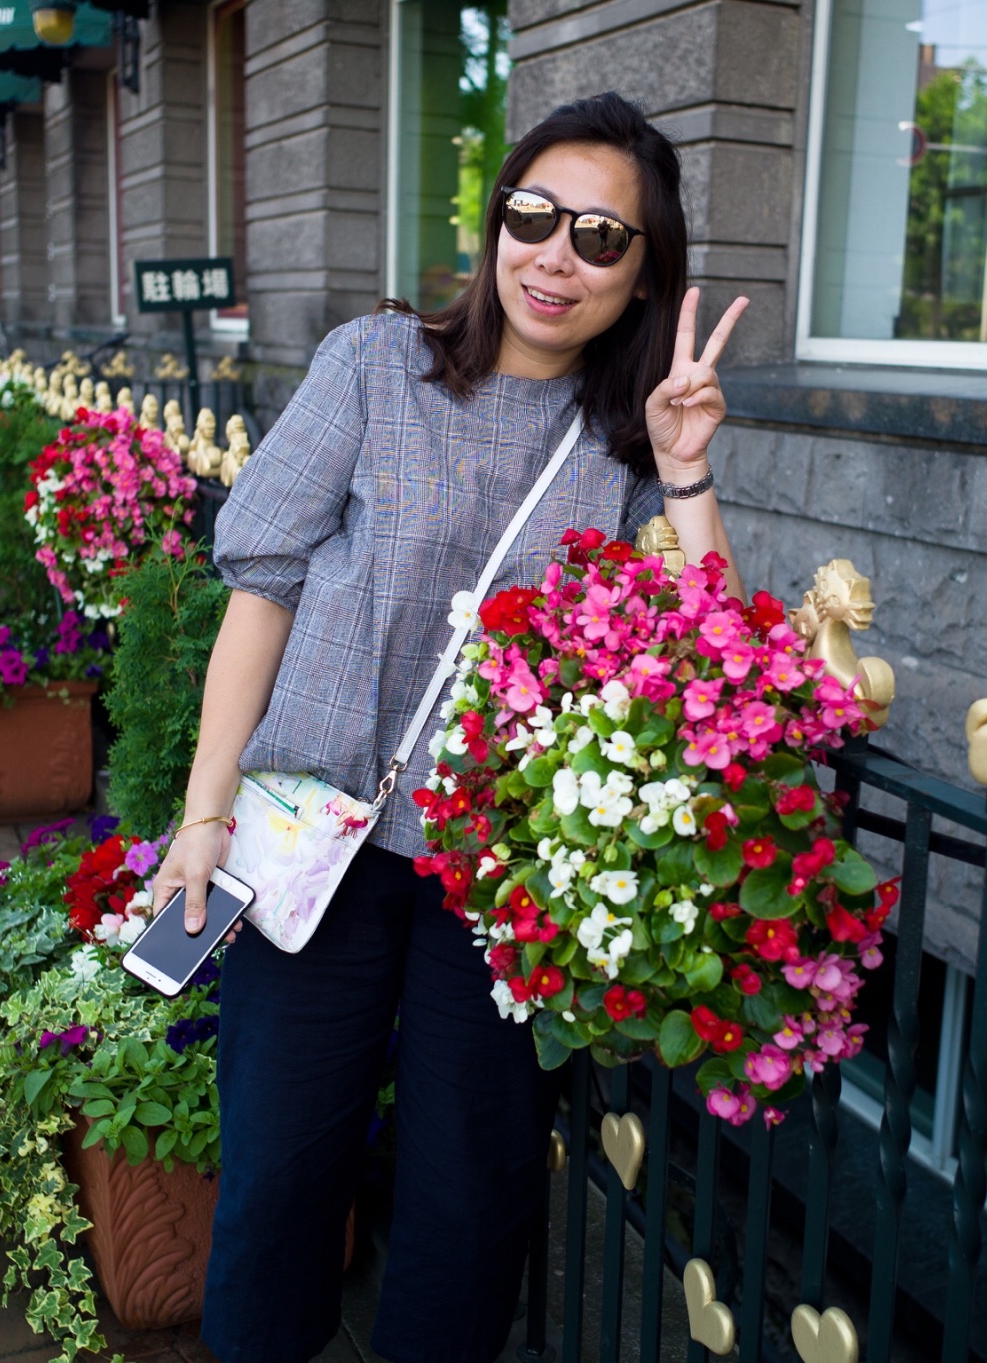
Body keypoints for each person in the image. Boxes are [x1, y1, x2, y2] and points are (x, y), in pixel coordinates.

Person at [149, 92, 748, 1363]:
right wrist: (204, 812)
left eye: (600, 237)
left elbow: (717, 658)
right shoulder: (375, 365)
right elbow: (262, 590)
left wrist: (688, 470)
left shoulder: (628, 445)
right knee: (273, 1176)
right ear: (494, 226)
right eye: (533, 216)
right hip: (314, 841)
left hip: (499, 877)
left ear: (644, 278)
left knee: (468, 1203)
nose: (555, 256)